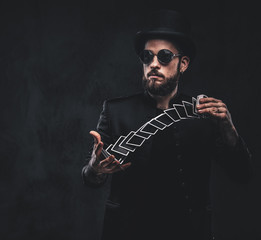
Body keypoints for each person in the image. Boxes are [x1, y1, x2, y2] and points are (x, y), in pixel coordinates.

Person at [82, 10, 252, 240]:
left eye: (163, 56)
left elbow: (242, 174)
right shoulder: (115, 110)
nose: (153, 64)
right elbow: (91, 179)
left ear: (183, 63)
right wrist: (94, 168)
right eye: (147, 56)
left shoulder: (204, 114)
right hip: (127, 232)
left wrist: (229, 131)